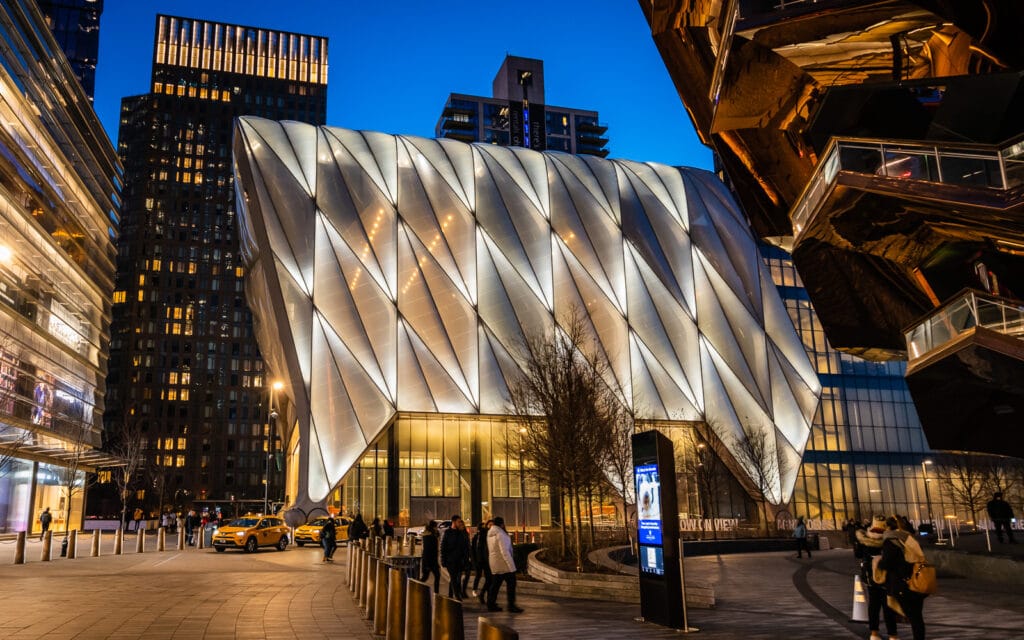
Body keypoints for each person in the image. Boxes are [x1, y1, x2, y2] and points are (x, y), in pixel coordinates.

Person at [878, 515, 927, 640]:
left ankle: (893, 635)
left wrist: (879, 563)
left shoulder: (891, 540)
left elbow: (888, 563)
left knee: (908, 614)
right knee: (917, 617)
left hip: (902, 583)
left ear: (888, 527)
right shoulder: (909, 538)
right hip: (917, 580)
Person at [856, 516, 898, 640]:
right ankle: (893, 635)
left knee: (873, 606)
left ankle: (874, 633)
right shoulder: (888, 540)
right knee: (888, 607)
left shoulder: (865, 539)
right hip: (886, 578)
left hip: (870, 578)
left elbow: (858, 554)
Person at [486, 516, 523, 613]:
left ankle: (491, 604)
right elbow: (504, 551)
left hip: (495, 562)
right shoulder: (500, 534)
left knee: (495, 584)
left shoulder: (490, 533)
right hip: (504, 563)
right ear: (502, 524)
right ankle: (511, 605)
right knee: (511, 583)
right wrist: (511, 566)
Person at [441, 515, 471, 600]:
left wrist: (466, 559)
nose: (460, 523)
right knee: (454, 578)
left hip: (460, 561)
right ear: (453, 522)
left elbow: (466, 547)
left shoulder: (461, 532)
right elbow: (443, 547)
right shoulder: (448, 532)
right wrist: (443, 560)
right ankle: (457, 597)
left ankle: (450, 596)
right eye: (458, 522)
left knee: (456, 578)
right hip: (451, 560)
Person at [471, 520, 492, 602]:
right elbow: (474, 550)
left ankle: (485, 595)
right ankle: (475, 590)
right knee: (479, 575)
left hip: (485, 560)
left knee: (489, 579)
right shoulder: (478, 537)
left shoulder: (488, 535)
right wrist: (475, 561)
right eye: (489, 525)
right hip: (481, 561)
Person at [420, 520, 441, 592]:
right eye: (436, 527)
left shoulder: (432, 535)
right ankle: (415, 587)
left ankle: (436, 593)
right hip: (429, 561)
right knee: (425, 577)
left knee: (435, 576)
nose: (437, 528)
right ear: (433, 527)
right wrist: (427, 564)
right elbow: (427, 551)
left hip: (433, 560)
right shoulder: (428, 537)